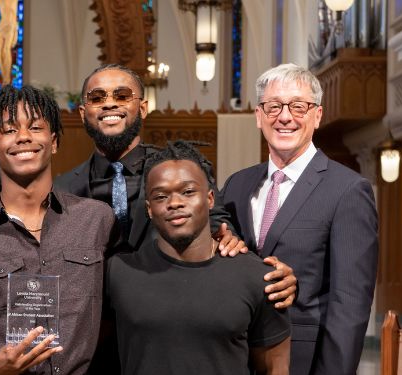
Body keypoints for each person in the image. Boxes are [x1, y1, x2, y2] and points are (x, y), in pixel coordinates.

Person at [0, 86, 122, 375]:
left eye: (35, 127)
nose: (23, 137)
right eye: (9, 130)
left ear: (53, 141)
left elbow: (119, 308)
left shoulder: (97, 220)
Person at [218, 63, 379, 375]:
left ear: (317, 116)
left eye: (298, 106)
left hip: (302, 361)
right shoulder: (236, 185)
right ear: (258, 116)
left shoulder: (347, 190)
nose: (285, 116)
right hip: (234, 359)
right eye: (274, 106)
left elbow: (349, 305)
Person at [106, 140, 291, 374]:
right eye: (161, 196)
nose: (175, 203)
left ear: (210, 199)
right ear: (149, 208)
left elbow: (276, 368)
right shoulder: (118, 273)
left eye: (188, 192)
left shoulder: (258, 278)